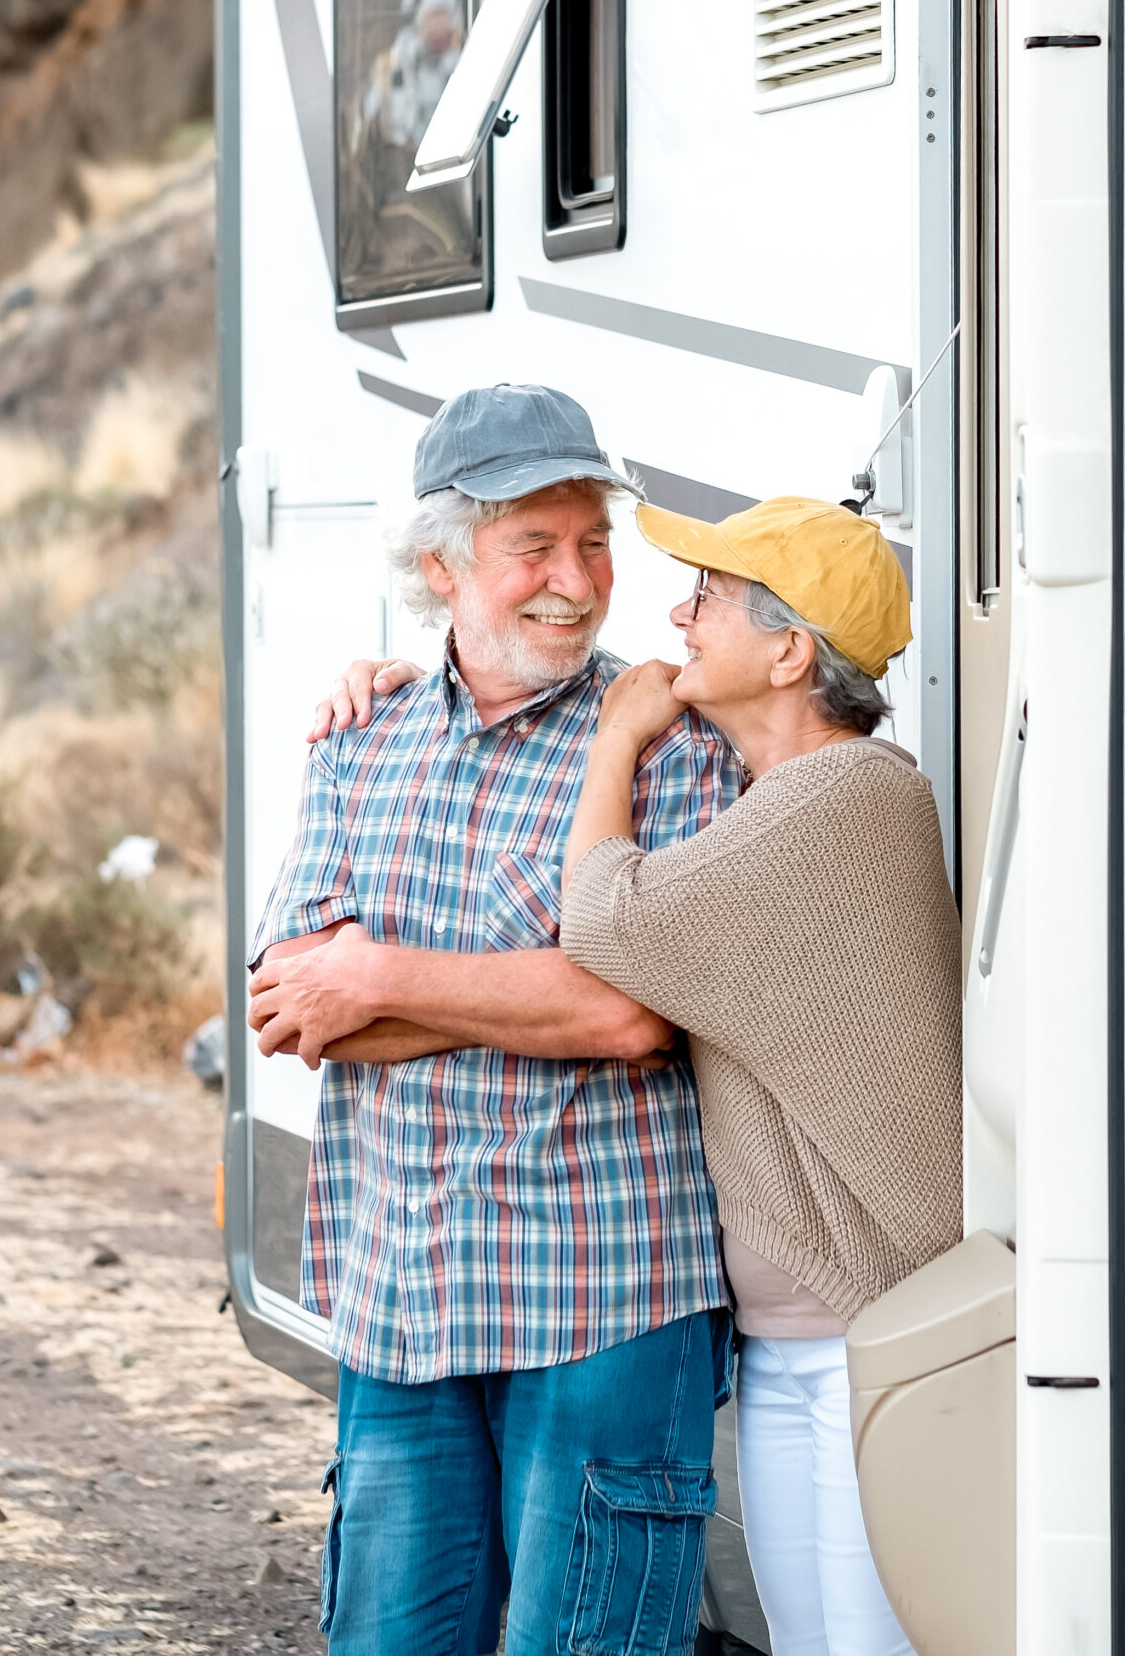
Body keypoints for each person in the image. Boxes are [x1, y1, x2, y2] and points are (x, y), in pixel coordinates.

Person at [318, 496, 963, 1656]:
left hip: (863, 1321)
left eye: (708, 597)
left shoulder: (847, 799)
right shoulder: (767, 793)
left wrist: (611, 738)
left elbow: (608, 945)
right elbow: (601, 988)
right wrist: (404, 679)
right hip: (791, 1331)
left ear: (787, 651)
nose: (675, 612)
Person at [244, 383, 744, 1656]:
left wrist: (379, 976)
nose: (574, 582)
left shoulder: (666, 742)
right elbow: (290, 1008)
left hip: (605, 1300)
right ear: (441, 565)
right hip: (400, 1295)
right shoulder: (358, 742)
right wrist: (495, 991)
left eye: (592, 542)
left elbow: (633, 1011)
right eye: (534, 545)